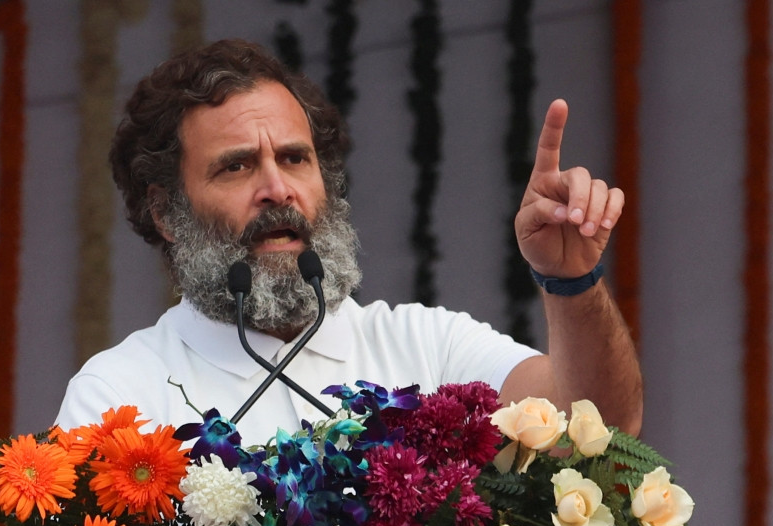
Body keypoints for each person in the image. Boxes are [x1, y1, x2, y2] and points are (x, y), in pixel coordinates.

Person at [55, 39, 642, 444]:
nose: (277, 190)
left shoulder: (427, 348)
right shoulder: (118, 394)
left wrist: (571, 283)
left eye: (294, 158)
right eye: (236, 167)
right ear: (165, 211)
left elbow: (594, 432)